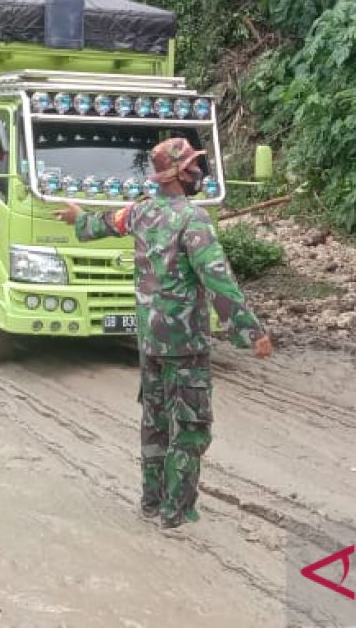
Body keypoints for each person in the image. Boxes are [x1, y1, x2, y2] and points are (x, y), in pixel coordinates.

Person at [56, 137, 272, 530]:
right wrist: (249, 331)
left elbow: (104, 224)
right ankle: (175, 512)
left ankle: (151, 502)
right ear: (177, 174)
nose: (198, 173)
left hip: (150, 340)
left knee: (154, 422)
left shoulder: (142, 212)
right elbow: (217, 279)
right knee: (190, 429)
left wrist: (78, 217)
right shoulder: (193, 220)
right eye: (192, 167)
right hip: (184, 344)